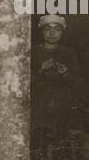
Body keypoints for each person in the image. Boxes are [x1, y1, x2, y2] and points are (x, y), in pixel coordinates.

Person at [31, 14, 83, 142]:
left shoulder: (69, 53)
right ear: (41, 31)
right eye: (47, 28)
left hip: (62, 106)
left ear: (62, 32)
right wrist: (40, 70)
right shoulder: (32, 52)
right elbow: (21, 83)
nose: (52, 33)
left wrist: (65, 73)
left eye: (57, 29)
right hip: (37, 105)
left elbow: (78, 84)